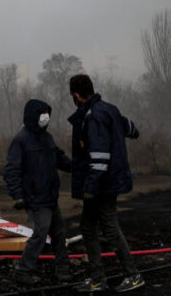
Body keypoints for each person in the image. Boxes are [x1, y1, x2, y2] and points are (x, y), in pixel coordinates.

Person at [68, 74, 144, 293]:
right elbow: (133, 129)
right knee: (88, 227)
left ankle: (133, 276)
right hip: (108, 181)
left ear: (76, 95)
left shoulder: (93, 117)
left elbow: (100, 157)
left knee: (109, 228)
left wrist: (90, 188)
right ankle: (97, 279)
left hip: (102, 184)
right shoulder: (110, 109)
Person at [3, 99, 72, 285]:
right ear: (33, 116)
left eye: (47, 114)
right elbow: (12, 169)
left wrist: (77, 167)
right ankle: (23, 271)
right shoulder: (21, 140)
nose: (46, 118)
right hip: (34, 198)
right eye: (42, 114)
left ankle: (63, 269)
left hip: (50, 196)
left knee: (59, 232)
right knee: (40, 233)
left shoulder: (47, 138)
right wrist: (17, 195)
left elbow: (60, 158)